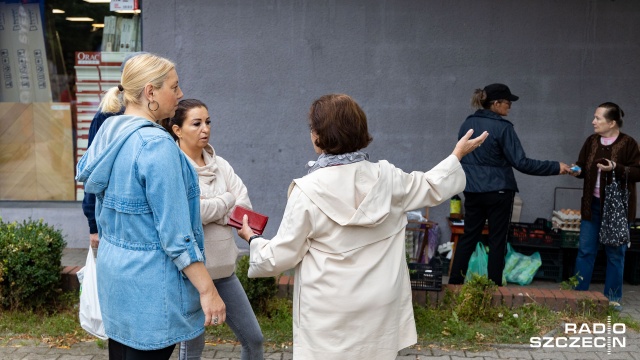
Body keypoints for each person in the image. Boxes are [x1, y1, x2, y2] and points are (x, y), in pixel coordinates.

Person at [236, 93, 487, 359]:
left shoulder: (307, 191)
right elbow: (431, 185)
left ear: (319, 135)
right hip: (379, 306)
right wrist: (456, 155)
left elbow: (282, 254)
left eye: (312, 128)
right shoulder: (389, 178)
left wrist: (253, 240)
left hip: (327, 313)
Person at [75, 53, 223, 360]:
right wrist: (208, 291)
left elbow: (102, 213)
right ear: (150, 93)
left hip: (116, 281)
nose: (180, 94)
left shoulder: (109, 133)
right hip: (152, 291)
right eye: (175, 86)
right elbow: (176, 234)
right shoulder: (156, 147)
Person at [160, 99, 264, 360]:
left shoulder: (223, 166)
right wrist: (225, 201)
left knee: (254, 340)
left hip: (225, 271)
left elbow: (244, 211)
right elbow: (190, 214)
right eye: (196, 123)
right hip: (191, 277)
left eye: (208, 122)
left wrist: (211, 208)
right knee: (192, 349)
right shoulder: (174, 168)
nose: (205, 128)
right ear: (178, 130)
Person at [448, 83, 570, 286]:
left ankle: (453, 285)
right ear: (496, 103)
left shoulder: (466, 124)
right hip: (499, 191)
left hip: (472, 190)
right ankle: (493, 288)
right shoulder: (503, 128)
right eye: (507, 103)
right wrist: (556, 167)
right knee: (497, 240)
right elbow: (522, 163)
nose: (510, 107)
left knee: (469, 236)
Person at [570, 102, 640, 310]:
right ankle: (578, 296)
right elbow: (582, 166)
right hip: (592, 205)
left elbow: (638, 172)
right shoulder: (591, 141)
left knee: (616, 253)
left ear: (611, 122)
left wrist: (616, 167)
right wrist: (576, 170)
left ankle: (612, 299)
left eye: (598, 118)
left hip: (617, 210)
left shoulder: (628, 144)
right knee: (585, 251)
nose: (593, 121)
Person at [82, 51, 146, 250]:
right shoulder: (107, 116)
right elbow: (92, 172)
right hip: (114, 222)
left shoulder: (163, 115)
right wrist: (93, 226)